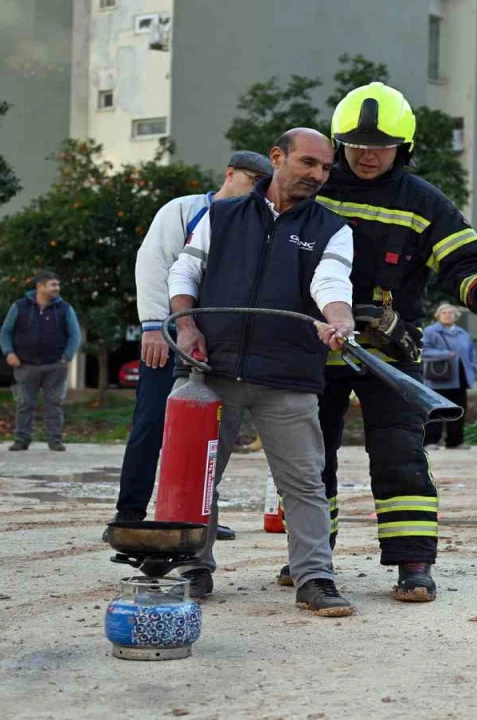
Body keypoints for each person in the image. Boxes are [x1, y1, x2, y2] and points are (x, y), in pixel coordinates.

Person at [314, 83, 477, 603]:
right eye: (355, 144)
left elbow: (465, 260)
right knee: (310, 459)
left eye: (379, 146)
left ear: (403, 149)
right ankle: (310, 561)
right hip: (315, 346)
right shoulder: (314, 187)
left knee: (401, 455)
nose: (366, 154)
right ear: (339, 144)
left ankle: (413, 564)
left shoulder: (423, 201)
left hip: (390, 355)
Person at [166, 128, 356, 616]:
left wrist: (339, 319)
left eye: (325, 168)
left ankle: (314, 578)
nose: (317, 175)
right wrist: (185, 326)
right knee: (199, 478)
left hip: (288, 376)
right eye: (308, 163)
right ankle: (192, 566)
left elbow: (330, 280)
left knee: (305, 482)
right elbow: (185, 272)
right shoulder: (222, 215)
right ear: (277, 158)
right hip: (211, 371)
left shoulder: (332, 228)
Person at [109, 150, 271, 532]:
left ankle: (197, 518)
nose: (258, 194)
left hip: (220, 344)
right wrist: (153, 325)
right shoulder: (183, 210)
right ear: (230, 174)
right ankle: (129, 513)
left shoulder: (254, 223)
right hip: (168, 335)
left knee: (209, 436)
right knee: (151, 424)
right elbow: (153, 263)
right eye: (253, 184)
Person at [0, 271, 81, 452]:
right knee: (24, 403)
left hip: (55, 366)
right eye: (53, 285)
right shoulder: (19, 307)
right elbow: (6, 332)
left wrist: (66, 357)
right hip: (25, 365)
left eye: (57, 285)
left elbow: (75, 335)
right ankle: (21, 440)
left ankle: (55, 440)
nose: (57, 288)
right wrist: (9, 352)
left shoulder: (65, 309)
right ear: (40, 287)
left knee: (55, 403)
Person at [422, 303, 477, 450]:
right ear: (438, 316)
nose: (448, 315)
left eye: (451, 313)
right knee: (436, 410)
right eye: (444, 312)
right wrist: (444, 354)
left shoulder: (463, 333)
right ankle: (431, 441)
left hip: (460, 377)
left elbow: (472, 353)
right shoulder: (430, 332)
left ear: (456, 316)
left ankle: (455, 441)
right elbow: (422, 351)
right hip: (438, 378)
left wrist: (472, 368)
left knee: (458, 409)